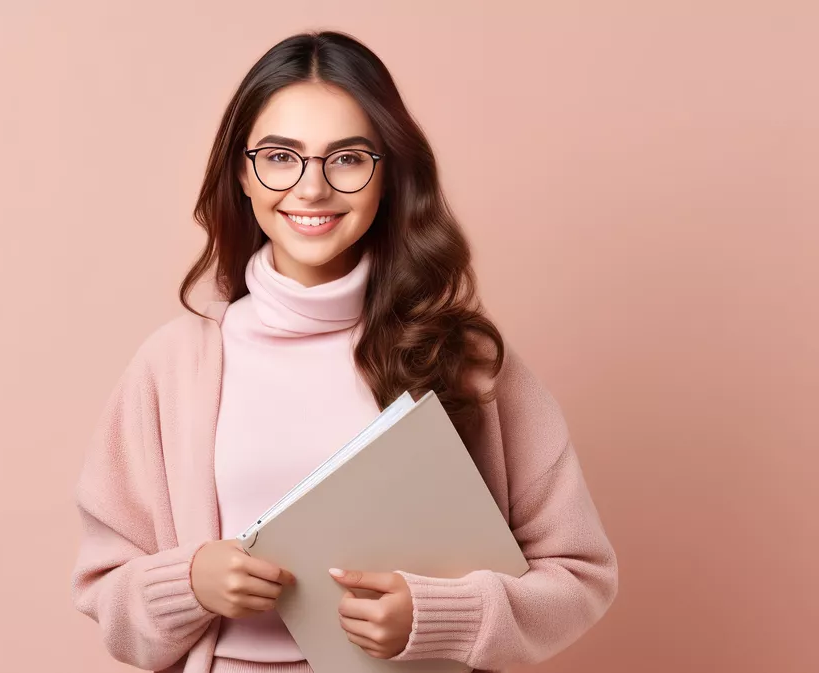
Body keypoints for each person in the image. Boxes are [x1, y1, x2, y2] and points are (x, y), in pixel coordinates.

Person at [70, 30, 618, 673]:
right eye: (280, 156)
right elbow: (105, 591)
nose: (311, 189)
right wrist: (188, 583)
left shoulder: (464, 359)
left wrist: (437, 617)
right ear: (242, 174)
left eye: (348, 158)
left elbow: (579, 575)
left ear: (389, 175)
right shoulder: (174, 367)